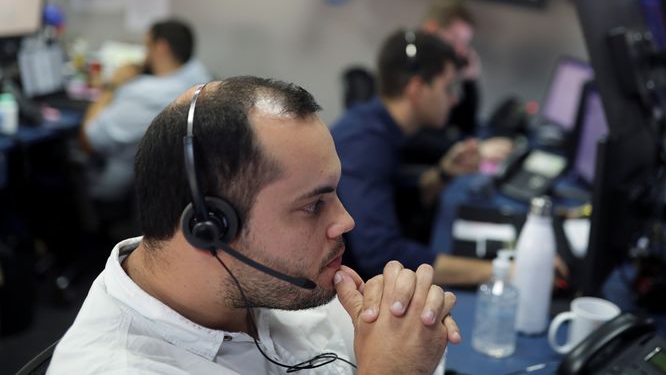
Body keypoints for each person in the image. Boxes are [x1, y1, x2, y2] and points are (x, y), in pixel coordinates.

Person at [50, 76, 461, 374]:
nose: (346, 221)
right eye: (314, 205)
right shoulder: (114, 366)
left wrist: (400, 335)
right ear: (209, 227)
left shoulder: (269, 280)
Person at [332, 30, 496, 285]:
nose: (454, 99)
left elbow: (399, 195)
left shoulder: (380, 126)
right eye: (448, 87)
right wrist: (502, 272)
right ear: (417, 89)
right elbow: (381, 256)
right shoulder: (364, 145)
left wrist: (445, 173)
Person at [80, 18, 212, 202]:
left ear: (161, 47)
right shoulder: (200, 78)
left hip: (117, 184)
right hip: (175, 187)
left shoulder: (142, 95)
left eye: (147, 46)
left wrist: (111, 86)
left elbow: (89, 140)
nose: (144, 54)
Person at [405, 0, 512, 167]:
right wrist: (476, 151)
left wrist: (470, 80)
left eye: (465, 43)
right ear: (431, 30)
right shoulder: (409, 69)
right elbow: (411, 138)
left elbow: (464, 127)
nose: (461, 51)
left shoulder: (438, 73)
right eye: (455, 40)